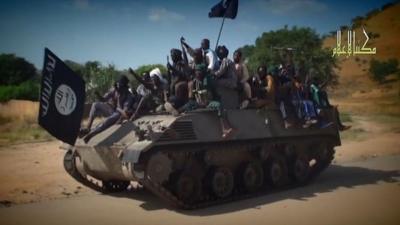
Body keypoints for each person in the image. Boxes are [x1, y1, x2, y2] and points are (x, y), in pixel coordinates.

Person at [181, 64, 233, 138]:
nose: (198, 73)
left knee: (218, 105)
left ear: (203, 72)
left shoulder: (208, 80)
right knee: (187, 106)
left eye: (199, 71)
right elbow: (192, 96)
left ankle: (224, 129)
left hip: (208, 102)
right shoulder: (194, 82)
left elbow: (210, 95)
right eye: (196, 71)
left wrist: (205, 100)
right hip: (198, 102)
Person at [79, 75, 134, 143]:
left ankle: (93, 133)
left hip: (119, 113)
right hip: (112, 110)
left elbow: (124, 113)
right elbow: (104, 99)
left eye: (119, 86)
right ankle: (88, 128)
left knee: (108, 120)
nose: (117, 88)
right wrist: (98, 95)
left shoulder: (128, 96)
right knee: (95, 104)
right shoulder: (115, 90)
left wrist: (117, 109)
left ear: (124, 87)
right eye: (117, 86)